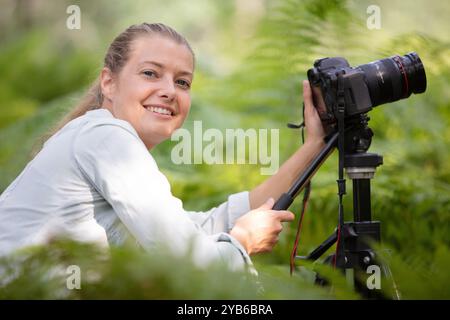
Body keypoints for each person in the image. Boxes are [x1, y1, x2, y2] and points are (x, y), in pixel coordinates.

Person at [0, 23, 325, 273]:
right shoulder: (106, 138)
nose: (169, 91)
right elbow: (191, 263)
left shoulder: (98, 139)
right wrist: (242, 243)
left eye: (182, 82)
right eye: (150, 73)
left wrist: (315, 145)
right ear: (108, 82)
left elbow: (198, 228)